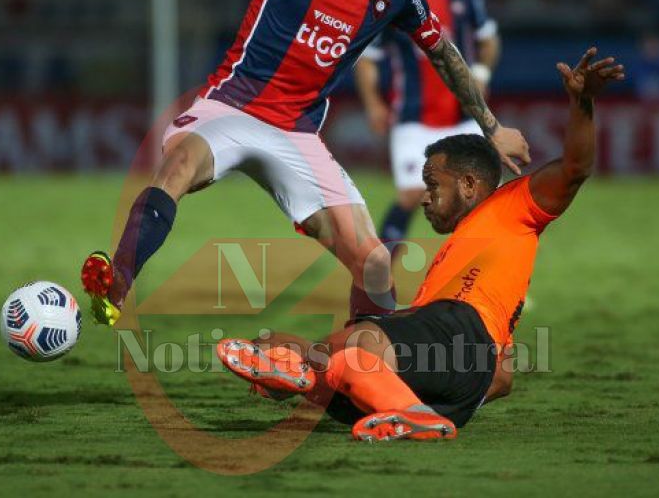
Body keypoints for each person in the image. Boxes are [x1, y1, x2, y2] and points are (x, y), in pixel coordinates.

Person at [79, 0, 530, 326]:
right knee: (177, 167)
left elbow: (444, 53)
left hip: (296, 133)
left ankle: (373, 368)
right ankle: (119, 280)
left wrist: (492, 128)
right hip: (230, 108)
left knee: (373, 264)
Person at [217, 48, 625, 441]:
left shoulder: (512, 206)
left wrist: (581, 102)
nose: (425, 196)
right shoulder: (460, 261)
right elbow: (502, 378)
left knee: (352, 346)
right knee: (325, 355)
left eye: (433, 185)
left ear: (469, 184)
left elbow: (574, 168)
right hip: (453, 378)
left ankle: (306, 372)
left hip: (460, 333)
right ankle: (339, 384)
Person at [354, 0, 501, 250]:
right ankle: (377, 278)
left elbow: (489, 40)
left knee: (477, 199)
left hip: (464, 115)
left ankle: (486, 278)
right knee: (410, 195)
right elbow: (367, 58)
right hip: (412, 115)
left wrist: (481, 74)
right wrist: (373, 103)